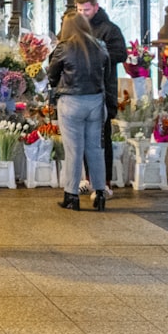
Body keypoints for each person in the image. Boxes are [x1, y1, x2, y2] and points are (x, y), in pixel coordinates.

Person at [47, 11, 116, 211]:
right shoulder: (100, 45)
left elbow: (52, 74)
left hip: (71, 103)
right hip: (96, 102)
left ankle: (71, 196)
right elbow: (108, 73)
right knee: (96, 148)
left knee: (74, 150)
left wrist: (57, 84)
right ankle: (100, 193)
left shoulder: (64, 47)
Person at [73, 0, 126, 198]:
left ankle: (104, 183)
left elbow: (121, 53)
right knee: (84, 139)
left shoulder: (110, 29)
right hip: (80, 91)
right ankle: (87, 179)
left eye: (86, 9)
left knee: (102, 139)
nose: (83, 13)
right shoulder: (75, 27)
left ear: (95, 7)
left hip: (103, 92)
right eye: (79, 10)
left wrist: (94, 53)